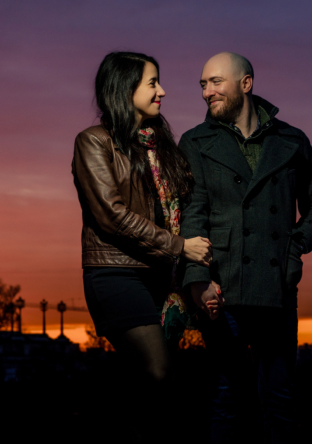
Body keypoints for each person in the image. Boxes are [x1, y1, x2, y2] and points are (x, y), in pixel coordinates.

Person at [179, 52, 312, 443]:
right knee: (226, 398)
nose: (206, 92)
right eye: (202, 84)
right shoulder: (195, 142)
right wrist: (198, 281)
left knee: (280, 400)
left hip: (276, 289)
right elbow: (191, 214)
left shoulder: (291, 141)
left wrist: (295, 247)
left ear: (245, 84)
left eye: (215, 82)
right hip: (221, 289)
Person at [72, 51, 216, 441]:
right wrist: (179, 246)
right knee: (158, 371)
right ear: (124, 87)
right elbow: (111, 215)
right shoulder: (94, 143)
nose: (162, 91)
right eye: (153, 83)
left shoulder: (162, 147)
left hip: (160, 276)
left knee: (151, 389)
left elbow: (190, 204)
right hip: (115, 273)